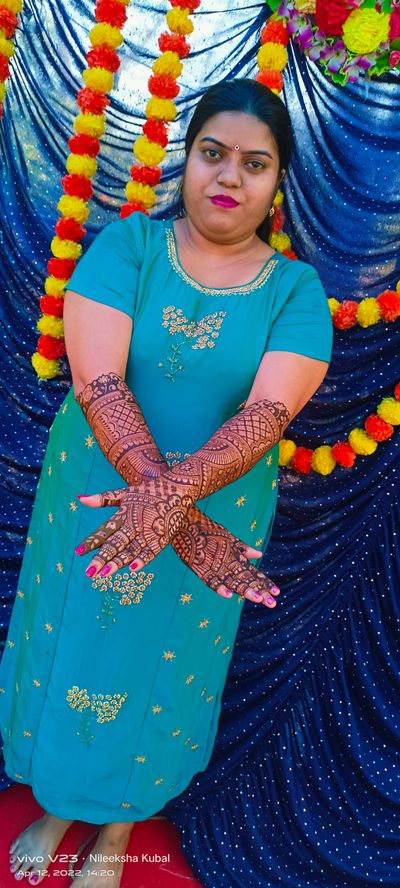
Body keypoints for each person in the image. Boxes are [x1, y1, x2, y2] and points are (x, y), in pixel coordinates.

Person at [1, 77, 333, 887]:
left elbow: (265, 417)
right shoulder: (129, 249)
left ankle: (117, 830)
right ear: (186, 162)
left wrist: (168, 508)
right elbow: (101, 386)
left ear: (278, 180)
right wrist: (177, 515)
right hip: (95, 495)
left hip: (225, 498)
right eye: (213, 154)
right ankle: (58, 804)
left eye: (255, 163)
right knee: (76, 639)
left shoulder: (296, 291)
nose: (229, 176)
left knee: (167, 662)